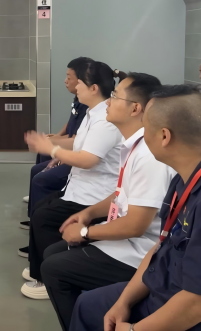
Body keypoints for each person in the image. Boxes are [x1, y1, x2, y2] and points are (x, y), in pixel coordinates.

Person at [70, 84, 201, 331]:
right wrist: (123, 302)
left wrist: (133, 330)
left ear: (164, 136)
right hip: (173, 285)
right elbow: (161, 248)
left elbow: (200, 304)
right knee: (89, 306)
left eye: (145, 128)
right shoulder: (188, 176)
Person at [41, 73, 174, 329]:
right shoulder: (133, 144)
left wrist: (85, 232)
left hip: (141, 250)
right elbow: (122, 193)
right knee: (52, 252)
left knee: (54, 268)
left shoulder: (149, 155)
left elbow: (136, 226)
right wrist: (89, 213)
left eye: (115, 96)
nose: (108, 102)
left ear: (135, 109)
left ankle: (84, 320)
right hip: (126, 235)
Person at [22, 60, 124, 299]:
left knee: (45, 217)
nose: (74, 86)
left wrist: (52, 149)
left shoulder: (105, 120)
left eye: (79, 83)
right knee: (40, 209)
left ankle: (47, 277)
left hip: (95, 195)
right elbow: (78, 142)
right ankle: (40, 271)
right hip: (79, 188)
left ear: (94, 88)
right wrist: (50, 142)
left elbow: (88, 159)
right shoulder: (92, 112)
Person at [18, 56, 91, 256]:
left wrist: (54, 146)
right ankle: (34, 215)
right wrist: (56, 138)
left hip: (81, 166)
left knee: (40, 176)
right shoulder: (81, 101)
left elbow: (81, 146)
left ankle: (37, 223)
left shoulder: (95, 111)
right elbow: (72, 126)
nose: (65, 81)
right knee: (42, 160)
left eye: (70, 77)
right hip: (75, 156)